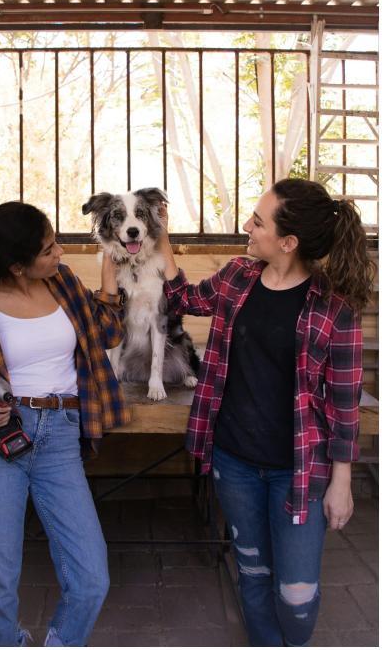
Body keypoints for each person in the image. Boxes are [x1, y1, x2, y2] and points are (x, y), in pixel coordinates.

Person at [157, 178, 374, 647]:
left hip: (298, 473)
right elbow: (185, 301)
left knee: (295, 595)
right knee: (252, 575)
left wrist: (341, 484)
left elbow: (343, 405)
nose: (247, 226)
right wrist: (162, 241)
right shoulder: (238, 276)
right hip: (234, 462)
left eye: (258, 220)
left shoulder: (333, 310)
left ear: (288, 241)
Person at [0, 201, 131, 647]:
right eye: (49, 249)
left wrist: (108, 280)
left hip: (61, 434)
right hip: (0, 440)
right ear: (18, 267)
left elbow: (107, 334)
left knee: (91, 574)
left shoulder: (62, 283)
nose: (60, 253)